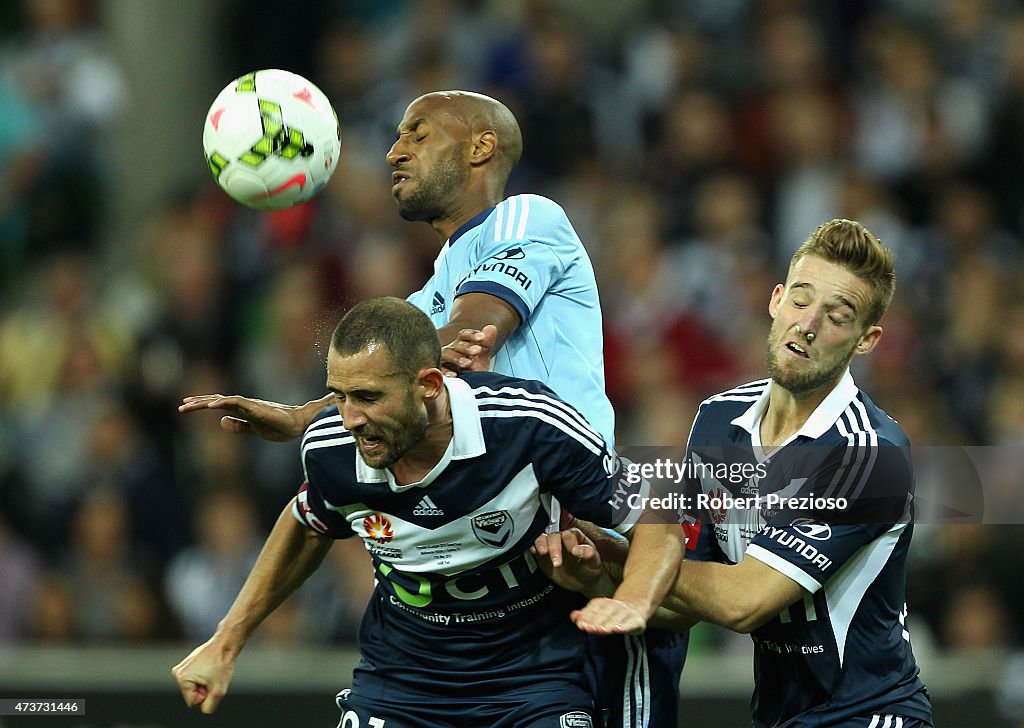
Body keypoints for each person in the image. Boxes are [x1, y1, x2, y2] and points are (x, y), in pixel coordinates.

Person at [179, 90, 688, 727]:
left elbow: (468, 337)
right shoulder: (441, 277)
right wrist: (303, 417)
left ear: (481, 148)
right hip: (521, 551)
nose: (394, 152)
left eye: (417, 134)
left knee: (777, 542)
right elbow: (392, 376)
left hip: (603, 536)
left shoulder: (527, 218)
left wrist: (443, 347)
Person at [171, 297, 684, 727]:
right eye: (339, 395)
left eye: (369, 397)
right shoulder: (330, 449)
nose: (350, 418)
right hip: (401, 684)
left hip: (531, 682)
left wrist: (635, 600)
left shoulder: (528, 426)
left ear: (429, 386)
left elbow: (659, 508)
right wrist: (227, 641)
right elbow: (308, 523)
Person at [538, 219, 934, 727]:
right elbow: (687, 604)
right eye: (800, 299)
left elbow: (743, 601)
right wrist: (602, 573)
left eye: (838, 316)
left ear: (866, 339)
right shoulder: (719, 419)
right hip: (779, 715)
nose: (808, 324)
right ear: (775, 300)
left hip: (867, 715)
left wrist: (634, 571)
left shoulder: (868, 453)